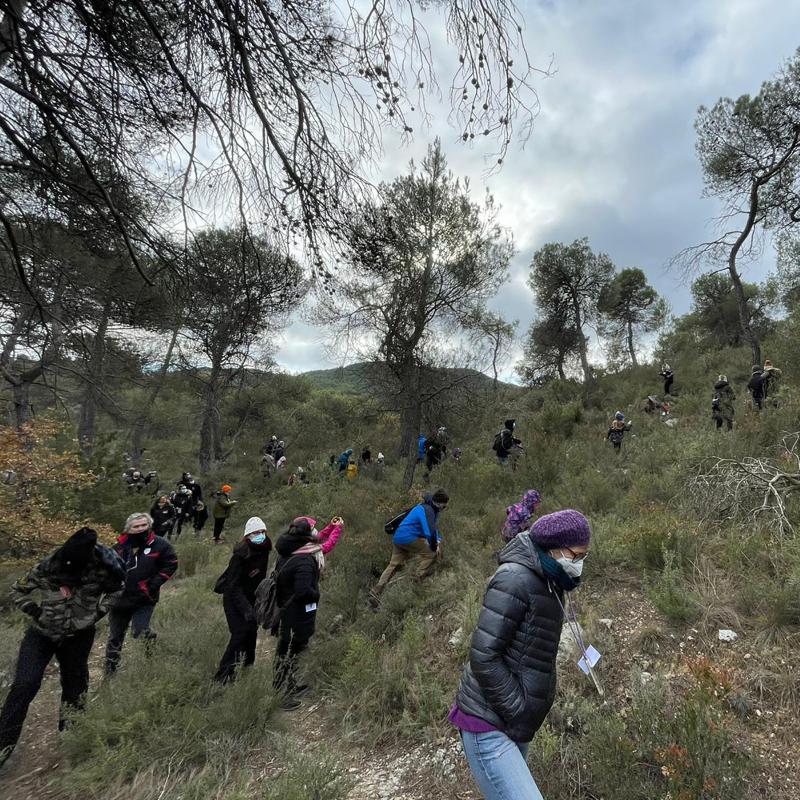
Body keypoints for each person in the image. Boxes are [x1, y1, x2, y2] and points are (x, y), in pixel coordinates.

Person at [449, 510, 591, 800]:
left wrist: (522, 716)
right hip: (487, 721)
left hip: (514, 723)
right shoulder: (514, 579)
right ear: (554, 547)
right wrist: (519, 708)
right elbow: (483, 655)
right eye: (575, 556)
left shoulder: (551, 579)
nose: (579, 564)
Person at [0, 528, 125, 767]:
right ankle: (3, 747)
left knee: (75, 685)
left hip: (78, 635)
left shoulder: (104, 568)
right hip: (42, 634)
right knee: (24, 685)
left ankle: (72, 739)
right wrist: (34, 611)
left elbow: (117, 589)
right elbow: (17, 589)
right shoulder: (48, 566)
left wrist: (97, 613)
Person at [105, 513, 178, 674]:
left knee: (140, 631)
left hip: (145, 598)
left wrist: (153, 584)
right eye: (136, 527)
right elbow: (106, 569)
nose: (140, 529)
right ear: (129, 529)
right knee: (115, 636)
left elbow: (171, 564)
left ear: (149, 525)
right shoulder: (119, 546)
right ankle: (110, 672)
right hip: (120, 599)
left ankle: (149, 654)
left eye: (143, 525)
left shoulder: (160, 544)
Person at [272, 517, 324, 709]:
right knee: (290, 650)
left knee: (287, 650)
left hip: (286, 608)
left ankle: (289, 685)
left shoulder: (286, 550)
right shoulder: (303, 559)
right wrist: (315, 594)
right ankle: (281, 695)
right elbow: (303, 591)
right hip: (297, 613)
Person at [213, 517, 272, 684]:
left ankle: (247, 666)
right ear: (248, 535)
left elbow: (260, 578)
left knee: (251, 631)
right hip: (233, 599)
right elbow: (232, 586)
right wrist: (246, 609)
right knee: (239, 633)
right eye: (255, 533)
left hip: (251, 598)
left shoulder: (265, 548)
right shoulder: (240, 554)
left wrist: (259, 601)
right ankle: (223, 675)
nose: (259, 535)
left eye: (262, 532)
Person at [369, 489, 448, 609]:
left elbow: (433, 529)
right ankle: (416, 580)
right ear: (439, 503)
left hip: (398, 538)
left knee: (394, 565)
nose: (444, 508)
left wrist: (438, 539)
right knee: (431, 553)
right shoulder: (428, 511)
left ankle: (376, 592)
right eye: (444, 505)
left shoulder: (426, 507)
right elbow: (429, 531)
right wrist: (435, 545)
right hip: (408, 538)